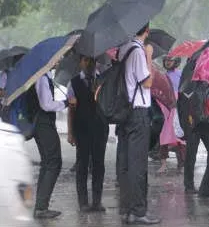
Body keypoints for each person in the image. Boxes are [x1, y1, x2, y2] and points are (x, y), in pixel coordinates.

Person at [116, 23, 161, 225]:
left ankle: (126, 208)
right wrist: (149, 55)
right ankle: (138, 211)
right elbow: (147, 82)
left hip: (126, 112)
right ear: (147, 31)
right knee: (137, 164)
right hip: (138, 113)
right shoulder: (137, 51)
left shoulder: (122, 50)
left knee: (126, 163)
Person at [66, 56, 109, 212]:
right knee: (82, 165)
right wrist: (70, 132)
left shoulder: (103, 81)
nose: (88, 63)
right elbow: (70, 110)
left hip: (100, 128)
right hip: (82, 129)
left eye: (91, 60)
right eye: (85, 60)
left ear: (96, 62)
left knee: (99, 165)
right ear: (80, 62)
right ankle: (83, 202)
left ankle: (97, 201)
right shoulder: (74, 82)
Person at [33, 70, 76, 219]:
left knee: (47, 163)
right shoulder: (42, 78)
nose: (57, 61)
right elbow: (46, 104)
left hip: (42, 123)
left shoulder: (44, 77)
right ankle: (41, 207)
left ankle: (40, 205)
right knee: (53, 162)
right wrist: (66, 103)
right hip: (43, 124)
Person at [157, 56, 185, 173]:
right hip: (166, 107)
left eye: (170, 60)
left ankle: (182, 164)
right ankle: (163, 164)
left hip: (178, 107)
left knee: (180, 136)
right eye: (166, 61)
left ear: (176, 62)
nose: (168, 63)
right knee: (164, 135)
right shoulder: (163, 76)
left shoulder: (180, 74)